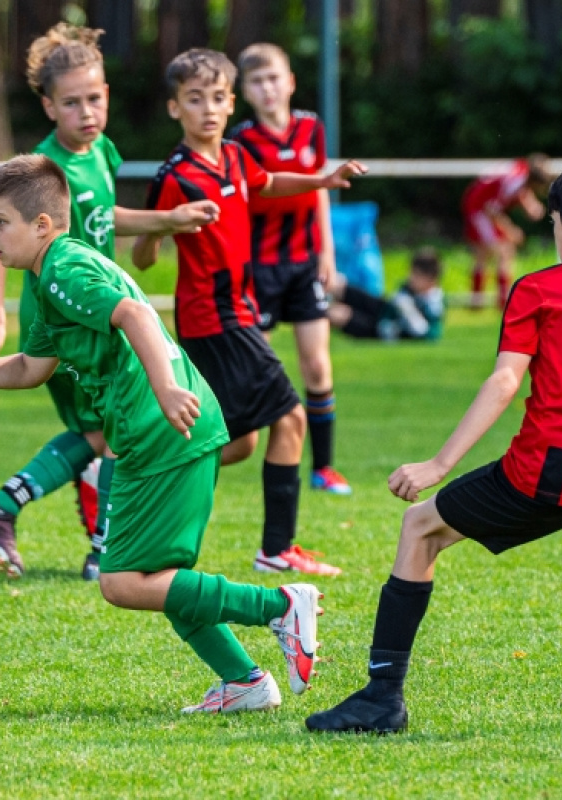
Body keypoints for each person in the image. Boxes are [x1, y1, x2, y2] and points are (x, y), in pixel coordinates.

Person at [0, 154, 324, 714]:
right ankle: (244, 681)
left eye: (0, 222)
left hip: (158, 428)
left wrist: (165, 388)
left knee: (123, 581)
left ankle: (277, 605)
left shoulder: (63, 269)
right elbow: (30, 368)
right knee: (158, 576)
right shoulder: (46, 276)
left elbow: (132, 313)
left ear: (42, 225)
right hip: (161, 427)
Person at [305, 154, 562, 735]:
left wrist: (439, 463)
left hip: (540, 475)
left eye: (552, 222)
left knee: (420, 527)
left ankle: (382, 699)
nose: (551, 234)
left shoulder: (538, 289)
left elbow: (505, 379)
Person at [0, 24, 218, 581]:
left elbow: (106, 218)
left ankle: (17, 509)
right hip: (64, 315)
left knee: (103, 433)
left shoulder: (102, 151)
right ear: (48, 106)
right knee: (108, 432)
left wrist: (168, 220)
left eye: (96, 97)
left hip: (93, 307)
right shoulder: (43, 168)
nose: (88, 111)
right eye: (73, 102)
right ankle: (98, 545)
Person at [132, 48, 367, 575]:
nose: (208, 109)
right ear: (175, 109)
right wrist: (165, 225)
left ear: (229, 101)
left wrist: (321, 182)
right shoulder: (175, 175)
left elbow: (269, 182)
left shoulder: (236, 157)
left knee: (238, 444)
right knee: (290, 418)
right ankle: (276, 549)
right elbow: (143, 258)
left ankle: (136, 476)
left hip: (237, 309)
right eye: (195, 100)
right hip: (215, 318)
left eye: (217, 98)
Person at [230, 43, 351, 496]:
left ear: (291, 82)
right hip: (259, 269)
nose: (268, 88)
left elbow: (319, 189)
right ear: (246, 91)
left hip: (304, 266)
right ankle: (265, 452)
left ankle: (324, 468)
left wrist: (328, 253)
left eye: (274, 78)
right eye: (258, 81)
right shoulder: (241, 141)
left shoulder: (310, 128)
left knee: (318, 367)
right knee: (259, 370)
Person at [462, 152, 552, 309]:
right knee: (504, 251)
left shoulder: (521, 168)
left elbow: (520, 191)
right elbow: (492, 209)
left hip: (477, 202)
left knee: (483, 254)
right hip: (480, 210)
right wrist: (511, 230)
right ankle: (502, 302)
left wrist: (530, 205)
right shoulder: (514, 183)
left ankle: (477, 302)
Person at [328, 247, 444, 342]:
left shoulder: (434, 303)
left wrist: (408, 310)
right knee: (340, 286)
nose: (411, 277)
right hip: (384, 310)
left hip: (381, 329)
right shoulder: (409, 290)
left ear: (431, 280)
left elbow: (426, 334)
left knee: (338, 314)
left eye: (416, 275)